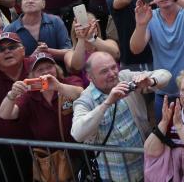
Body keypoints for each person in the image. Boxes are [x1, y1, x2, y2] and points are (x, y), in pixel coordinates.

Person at [71, 51, 170, 181]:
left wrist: (150, 81)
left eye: (113, 67)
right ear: (90, 77)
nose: (112, 74)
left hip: (146, 168)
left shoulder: (125, 77)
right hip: (115, 175)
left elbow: (166, 74)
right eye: (104, 71)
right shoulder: (86, 99)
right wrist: (107, 103)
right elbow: (77, 133)